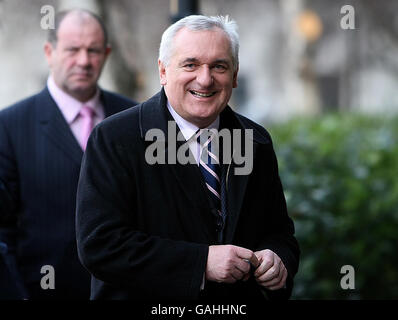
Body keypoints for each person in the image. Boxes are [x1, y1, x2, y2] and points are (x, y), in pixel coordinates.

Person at [76, 15, 299, 301]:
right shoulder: (114, 139)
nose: (205, 80)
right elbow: (100, 245)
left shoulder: (254, 140)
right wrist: (201, 263)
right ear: (163, 71)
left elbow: (279, 232)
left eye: (219, 66)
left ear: (234, 75)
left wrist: (278, 259)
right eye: (191, 64)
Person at [0, 9, 137, 299]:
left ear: (107, 53)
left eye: (94, 50)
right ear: (49, 52)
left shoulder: (134, 118)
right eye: (73, 50)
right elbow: (3, 230)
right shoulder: (9, 126)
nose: (84, 61)